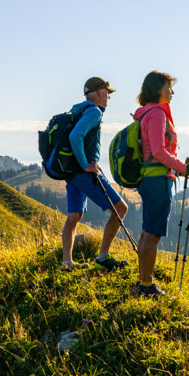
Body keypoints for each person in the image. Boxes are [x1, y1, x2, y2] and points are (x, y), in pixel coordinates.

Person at [132, 71, 189, 298]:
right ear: (157, 89)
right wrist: (185, 168)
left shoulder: (144, 114)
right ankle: (146, 286)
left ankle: (143, 282)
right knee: (152, 235)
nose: (171, 93)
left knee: (146, 232)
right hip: (158, 180)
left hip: (148, 178)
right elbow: (158, 151)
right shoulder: (157, 114)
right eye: (168, 87)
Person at [60, 77, 130, 271]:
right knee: (120, 209)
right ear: (99, 92)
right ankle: (103, 257)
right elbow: (75, 136)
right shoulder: (94, 112)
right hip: (83, 172)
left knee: (74, 215)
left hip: (70, 171)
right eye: (108, 92)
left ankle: (67, 263)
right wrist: (85, 165)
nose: (109, 97)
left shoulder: (78, 109)